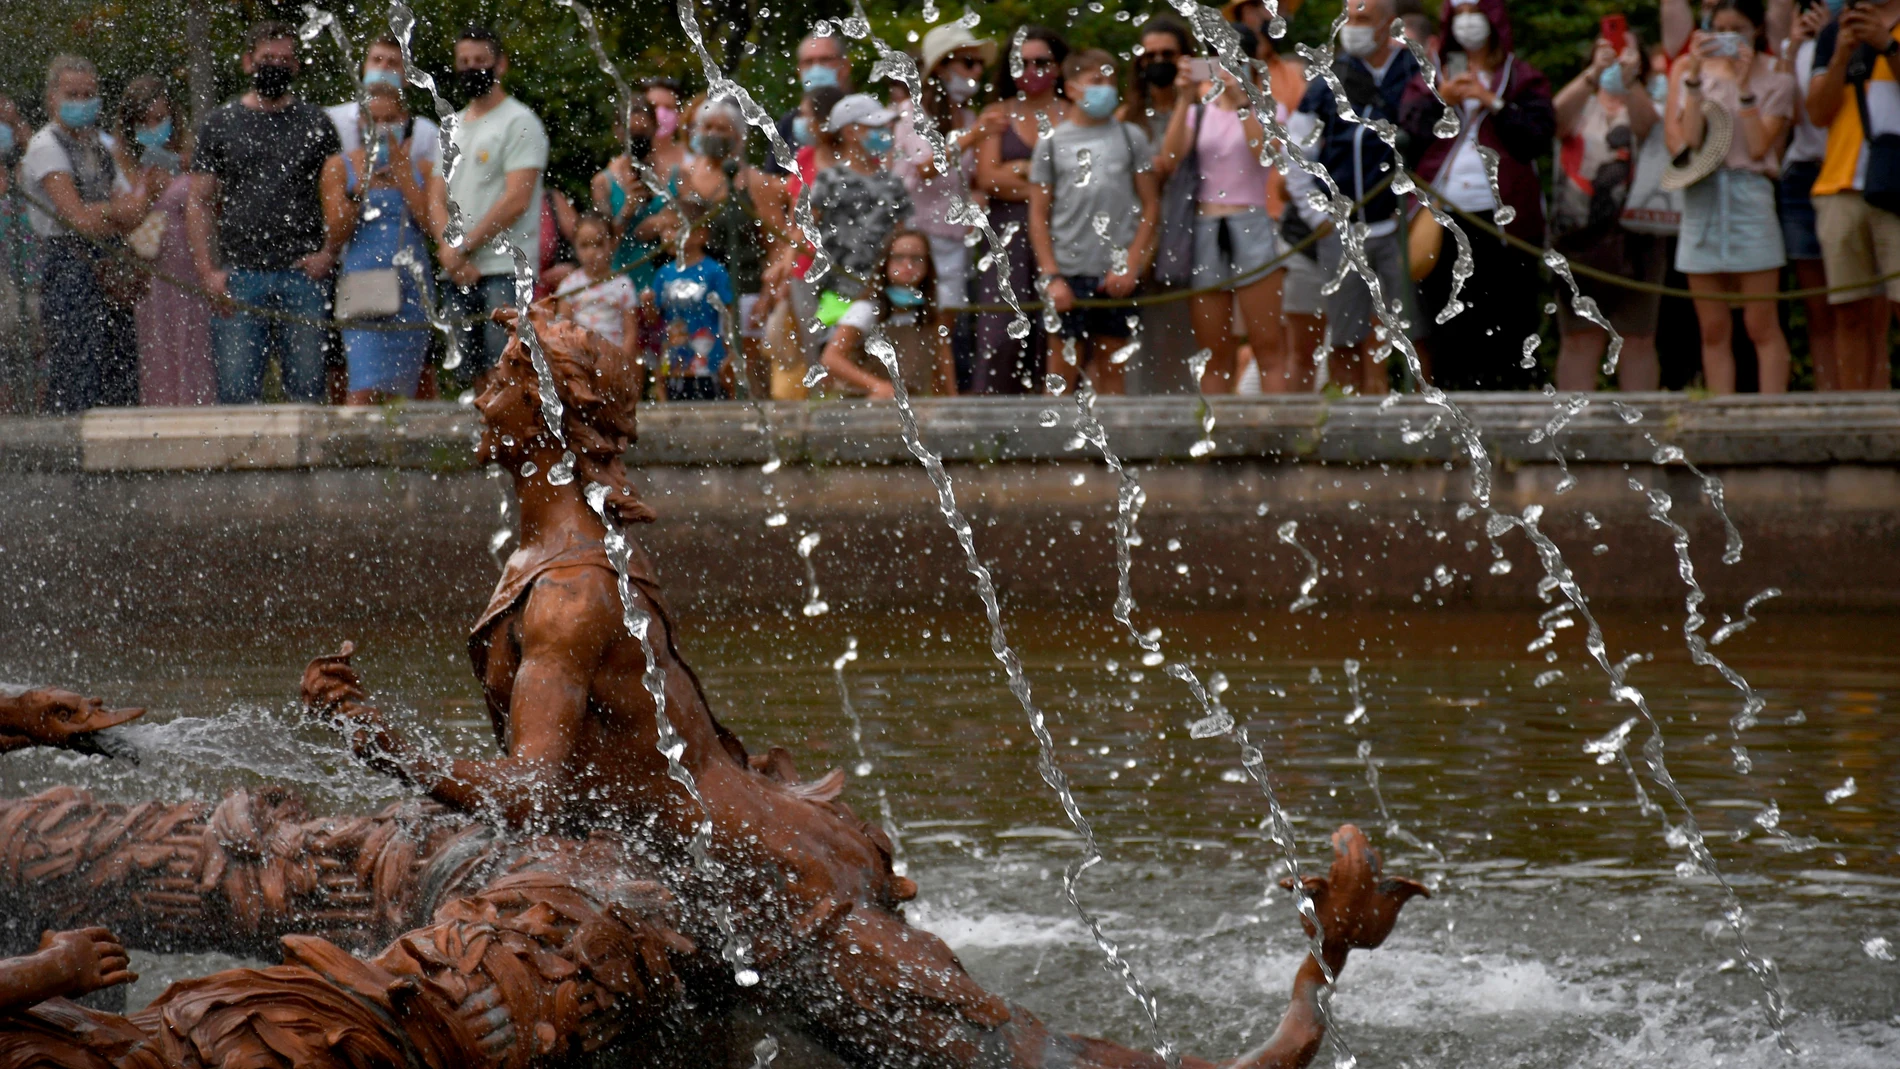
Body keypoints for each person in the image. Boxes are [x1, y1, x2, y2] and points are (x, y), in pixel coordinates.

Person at [1401, 0, 1555, 390]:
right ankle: (1456, 409)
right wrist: (1443, 100)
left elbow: (1535, 138)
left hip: (1506, 221)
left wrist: (1492, 103)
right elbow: (1407, 137)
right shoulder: (1429, 78)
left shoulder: (1520, 77)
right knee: (1448, 321)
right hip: (1443, 220)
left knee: (1512, 318)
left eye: (1476, 12)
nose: (1469, 23)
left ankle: (1516, 412)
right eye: (1461, 13)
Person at [1668, 0, 1795, 393]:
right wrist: (1692, 78)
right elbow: (1689, 140)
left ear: (1756, 30)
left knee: (1761, 324)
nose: (1726, 35)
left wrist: (1743, 89)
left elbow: (1759, 148)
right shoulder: (1694, 74)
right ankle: (1722, 415)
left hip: (1750, 196)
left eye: (1736, 28)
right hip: (1702, 198)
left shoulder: (1777, 77)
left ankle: (1772, 422)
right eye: (1718, 26)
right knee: (1713, 327)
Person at [1295, 0, 1421, 394]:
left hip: (1403, 225)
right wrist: (1318, 218)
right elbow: (1296, 154)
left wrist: (1421, 214)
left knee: (1414, 332)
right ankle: (1348, 423)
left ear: (1388, 25)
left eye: (1363, 19)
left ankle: (1427, 416)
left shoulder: (1416, 72)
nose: (1353, 27)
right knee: (1345, 336)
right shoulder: (1326, 81)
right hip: (1343, 230)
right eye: (1348, 18)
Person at [1157, 24, 1288, 394]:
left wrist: (1243, 100)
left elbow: (1266, 154)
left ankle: (1280, 440)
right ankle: (1216, 440)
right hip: (1205, 226)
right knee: (1215, 351)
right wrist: (1183, 97)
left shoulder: (1266, 107)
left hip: (1252, 221)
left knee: (1268, 346)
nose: (1225, 66)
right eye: (1216, 59)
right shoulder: (1199, 112)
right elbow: (1169, 159)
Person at [25, 54, 160, 412]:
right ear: (53, 97)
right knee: (77, 366)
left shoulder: (101, 144)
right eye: (73, 94)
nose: (82, 103)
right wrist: (116, 212)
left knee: (120, 366)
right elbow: (78, 220)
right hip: (68, 262)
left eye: (89, 94)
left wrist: (129, 205)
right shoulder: (45, 146)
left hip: (109, 260)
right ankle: (70, 453)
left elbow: (130, 213)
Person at [1030, 48, 1161, 396]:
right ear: (1071, 88)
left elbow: (1150, 205)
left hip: (1116, 273)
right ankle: (1053, 447)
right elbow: (1038, 215)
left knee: (1112, 370)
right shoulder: (1052, 142)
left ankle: (1111, 448)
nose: (1105, 88)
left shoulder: (1131, 137)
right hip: (1069, 271)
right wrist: (1051, 276)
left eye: (1110, 80)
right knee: (1061, 369)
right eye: (1095, 81)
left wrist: (1131, 263)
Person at [430, 24, 548, 392]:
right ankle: (479, 448)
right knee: (469, 381)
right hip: (458, 271)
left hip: (504, 270)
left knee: (509, 374)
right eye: (463, 61)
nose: (471, 68)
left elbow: (516, 199)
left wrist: (464, 247)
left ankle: (516, 450)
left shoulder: (520, 122)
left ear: (500, 65)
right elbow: (435, 197)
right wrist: (448, 251)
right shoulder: (451, 125)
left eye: (480, 60)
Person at [1550, 29, 1665, 392]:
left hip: (1638, 238)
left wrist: (1630, 81)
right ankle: (1570, 435)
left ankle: (1643, 435)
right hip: (1577, 236)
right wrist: (1593, 74)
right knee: (1580, 338)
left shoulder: (1652, 98)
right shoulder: (1582, 97)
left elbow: (1649, 127)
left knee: (1638, 338)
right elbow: (1552, 122)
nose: (1616, 56)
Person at [319, 79, 440, 404]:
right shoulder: (339, 167)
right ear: (360, 123)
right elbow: (335, 233)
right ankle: (359, 454)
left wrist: (402, 174)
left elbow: (432, 225)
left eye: (391, 120)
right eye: (375, 121)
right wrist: (361, 187)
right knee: (362, 386)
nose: (383, 129)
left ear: (405, 121)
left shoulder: (424, 169)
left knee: (411, 390)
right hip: (363, 284)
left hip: (412, 286)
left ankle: (410, 453)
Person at [894, 21, 995, 393]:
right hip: (916, 238)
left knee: (945, 329)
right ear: (941, 67)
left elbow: (972, 178)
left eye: (977, 64)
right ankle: (922, 397)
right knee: (917, 325)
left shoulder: (968, 118)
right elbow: (925, 165)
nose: (976, 72)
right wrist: (975, 136)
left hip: (955, 242)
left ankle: (947, 400)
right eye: (968, 63)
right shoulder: (912, 113)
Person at [1808, 0, 1900, 391]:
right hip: (1840, 186)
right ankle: (1854, 411)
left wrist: (1887, 45)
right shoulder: (1835, 31)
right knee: (1849, 313)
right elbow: (1817, 112)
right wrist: (1842, 54)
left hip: (1896, 187)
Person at [973, 26, 1069, 394]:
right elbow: (987, 178)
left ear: (1058, 67)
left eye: (1041, 62)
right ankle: (991, 432)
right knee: (1000, 336)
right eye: (1021, 62)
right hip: (1006, 234)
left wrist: (1018, 172)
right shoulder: (998, 113)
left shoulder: (1074, 114)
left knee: (1058, 332)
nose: (1031, 70)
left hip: (1062, 230)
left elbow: (1079, 182)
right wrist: (1044, 186)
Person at [675, 97, 784, 387]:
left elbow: (776, 243)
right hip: (695, 292)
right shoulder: (682, 179)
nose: (713, 134)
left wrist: (767, 292)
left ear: (737, 136)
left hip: (744, 288)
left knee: (745, 370)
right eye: (707, 127)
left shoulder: (754, 182)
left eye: (721, 129)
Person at [119, 76, 214, 406]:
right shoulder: (125, 166)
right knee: (158, 353)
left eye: (159, 119)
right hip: (151, 282)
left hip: (188, 275)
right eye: (143, 122)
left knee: (194, 348)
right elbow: (121, 223)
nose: (152, 128)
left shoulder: (192, 159)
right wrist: (147, 197)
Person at [1123, 14, 1202, 395]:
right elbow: (1160, 168)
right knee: (1144, 341)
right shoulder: (1129, 115)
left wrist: (1192, 82)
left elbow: (1240, 68)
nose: (1156, 62)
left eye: (1167, 54)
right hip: (1145, 238)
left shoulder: (1205, 103)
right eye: (1147, 55)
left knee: (1188, 341)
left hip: (1194, 234)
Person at [808, 93, 913, 351]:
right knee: (834, 356)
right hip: (834, 291)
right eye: (875, 128)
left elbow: (902, 239)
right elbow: (804, 229)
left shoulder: (893, 184)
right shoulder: (829, 180)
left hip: (882, 293)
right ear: (851, 132)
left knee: (880, 355)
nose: (885, 133)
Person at [818, 229, 957, 398]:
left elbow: (942, 356)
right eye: (899, 258)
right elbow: (830, 358)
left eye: (916, 258)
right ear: (886, 263)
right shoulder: (867, 309)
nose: (908, 265)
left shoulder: (932, 308)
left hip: (914, 400)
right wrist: (875, 385)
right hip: (867, 401)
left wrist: (952, 398)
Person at [1780, 1, 1839, 388]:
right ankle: (1828, 396)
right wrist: (1791, 55)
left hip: (1851, 175)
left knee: (1860, 304)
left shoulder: (1857, 42)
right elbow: (1791, 117)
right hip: (1802, 176)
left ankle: (1864, 397)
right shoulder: (1793, 51)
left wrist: (1831, 42)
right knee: (1817, 307)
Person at [653, 204, 736, 400]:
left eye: (674, 228)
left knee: (712, 414)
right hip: (674, 364)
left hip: (710, 361)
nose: (667, 235)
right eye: (664, 229)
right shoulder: (663, 274)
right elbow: (654, 319)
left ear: (700, 234)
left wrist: (731, 352)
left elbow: (728, 314)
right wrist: (648, 304)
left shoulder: (714, 271)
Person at [325, 36, 441, 172]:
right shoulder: (331, 120)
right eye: (376, 60)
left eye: (392, 63)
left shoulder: (426, 133)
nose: (383, 67)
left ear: (408, 77)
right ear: (364, 68)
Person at [591, 96, 667, 295]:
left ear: (655, 128)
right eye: (632, 134)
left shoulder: (677, 175)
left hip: (665, 282)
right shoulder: (603, 183)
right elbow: (599, 248)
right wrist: (626, 212)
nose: (638, 140)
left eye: (643, 133)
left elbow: (696, 226)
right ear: (618, 133)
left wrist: (664, 222)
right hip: (621, 283)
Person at [554, 213, 640, 368]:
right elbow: (563, 327)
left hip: (613, 359)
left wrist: (621, 361)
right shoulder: (570, 285)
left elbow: (630, 332)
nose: (591, 252)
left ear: (613, 243)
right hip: (581, 361)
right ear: (575, 246)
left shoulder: (623, 284)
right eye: (584, 245)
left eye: (598, 244)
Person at [0, 94, 37, 411]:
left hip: (32, 278)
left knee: (38, 351)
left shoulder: (27, 170)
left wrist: (16, 124)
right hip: (5, 283)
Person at [775, 32, 856, 169]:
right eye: (808, 62)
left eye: (825, 60)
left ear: (845, 66)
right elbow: (773, 179)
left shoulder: (861, 117)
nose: (816, 68)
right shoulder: (788, 124)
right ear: (799, 71)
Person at [643, 78, 688, 178]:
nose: (661, 113)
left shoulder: (694, 159)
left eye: (668, 107)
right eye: (653, 107)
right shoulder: (623, 164)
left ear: (679, 114)